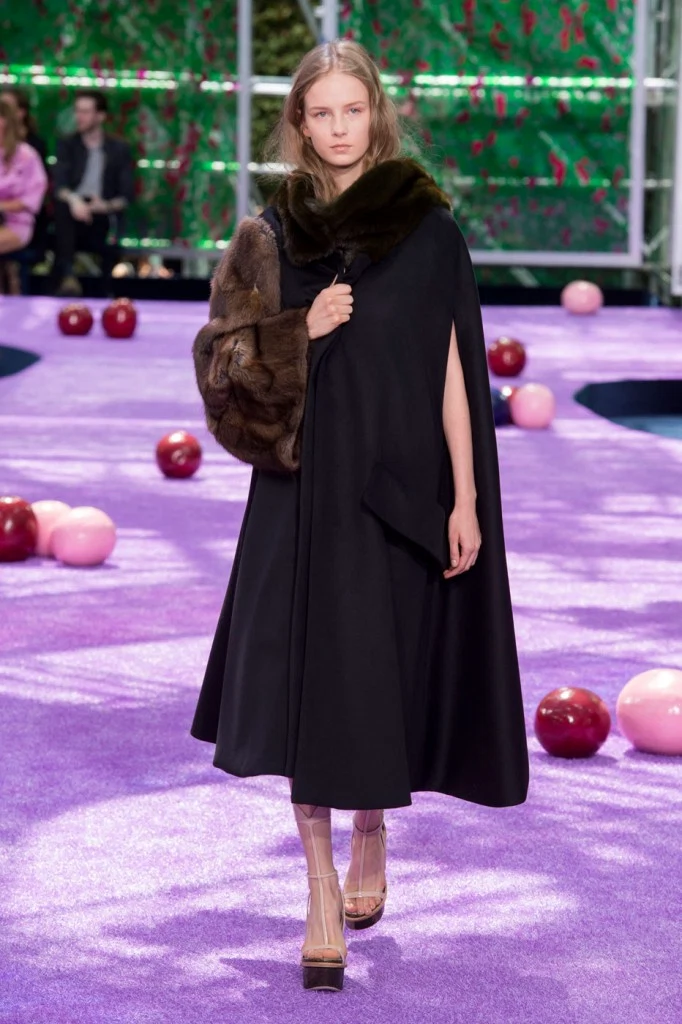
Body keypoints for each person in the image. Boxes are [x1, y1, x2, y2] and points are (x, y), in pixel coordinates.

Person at [190, 40, 529, 993]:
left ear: (376, 114)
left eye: (353, 109)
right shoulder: (269, 236)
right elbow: (220, 366)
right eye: (320, 112)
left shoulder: (428, 227)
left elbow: (455, 369)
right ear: (298, 124)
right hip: (301, 494)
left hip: (396, 489)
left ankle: (372, 828)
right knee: (304, 684)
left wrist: (467, 498)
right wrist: (300, 331)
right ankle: (318, 889)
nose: (338, 128)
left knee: (378, 673)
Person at [52, 89, 135, 296]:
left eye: (85, 112)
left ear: (100, 116)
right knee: (63, 210)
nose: (79, 117)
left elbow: (126, 195)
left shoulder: (119, 148)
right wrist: (74, 201)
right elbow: (59, 185)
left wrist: (105, 205)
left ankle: (103, 289)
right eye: (77, 111)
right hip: (72, 209)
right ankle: (68, 277)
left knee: (105, 222)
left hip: (102, 212)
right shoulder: (67, 144)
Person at [0, 98, 48, 292]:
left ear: (6, 122)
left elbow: (32, 199)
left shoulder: (26, 155)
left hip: (16, 223)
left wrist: (2, 206)